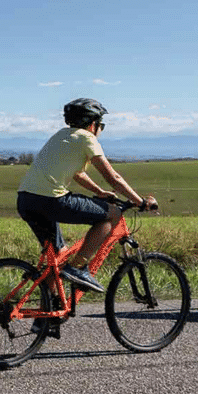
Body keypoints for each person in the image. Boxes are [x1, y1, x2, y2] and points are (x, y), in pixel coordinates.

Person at [17, 98, 157, 294]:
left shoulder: (61, 136)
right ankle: (78, 268)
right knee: (113, 214)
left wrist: (99, 192)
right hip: (53, 201)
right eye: (102, 125)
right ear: (93, 124)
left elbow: (78, 173)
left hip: (26, 200)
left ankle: (46, 318)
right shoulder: (87, 138)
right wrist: (140, 202)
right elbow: (113, 177)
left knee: (57, 258)